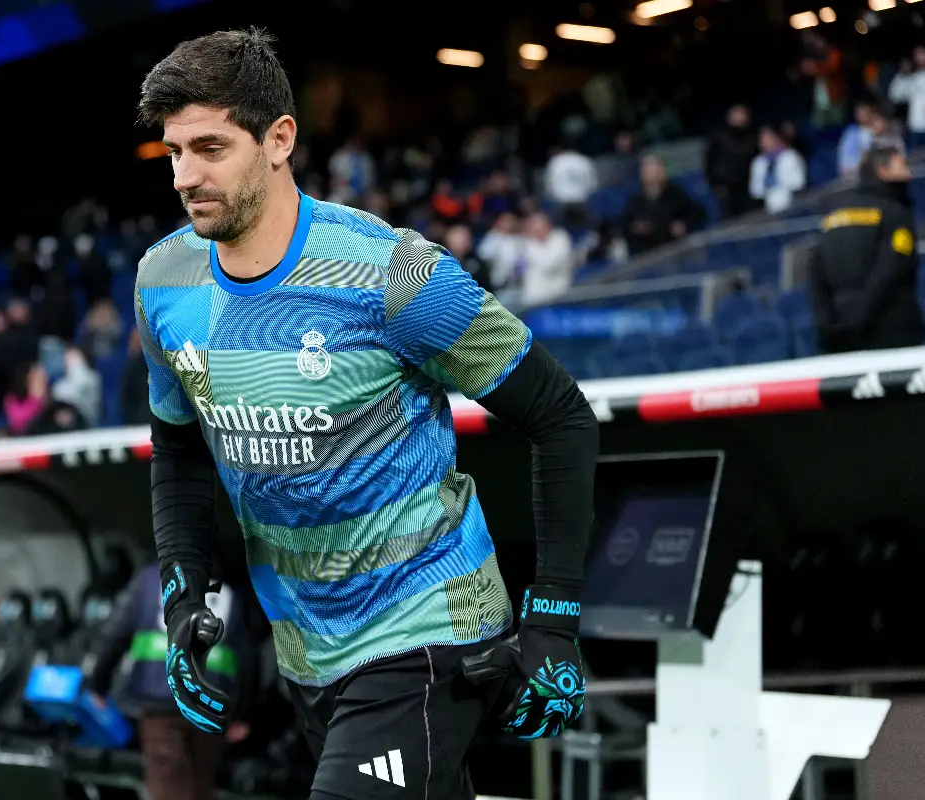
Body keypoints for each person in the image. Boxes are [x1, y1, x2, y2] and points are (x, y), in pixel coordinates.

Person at [131, 28, 598, 799]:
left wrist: (553, 616)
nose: (185, 175)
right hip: (307, 650)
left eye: (210, 148)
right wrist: (183, 592)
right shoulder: (164, 281)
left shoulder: (394, 274)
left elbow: (561, 415)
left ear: (279, 139)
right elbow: (179, 447)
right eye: (174, 152)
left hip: (427, 625)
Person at [88, 560, 255, 800]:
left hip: (160, 703)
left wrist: (98, 685)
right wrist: (242, 714)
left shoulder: (148, 580)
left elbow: (116, 633)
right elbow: (247, 656)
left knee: (168, 787)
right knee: (201, 787)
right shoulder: (226, 585)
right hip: (209, 705)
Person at [809, 144, 925, 353]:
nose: (910, 173)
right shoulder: (896, 213)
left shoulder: (833, 216)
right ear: (883, 172)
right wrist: (859, 316)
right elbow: (891, 270)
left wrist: (827, 322)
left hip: (838, 333)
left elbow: (815, 274)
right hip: (891, 330)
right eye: (902, 166)